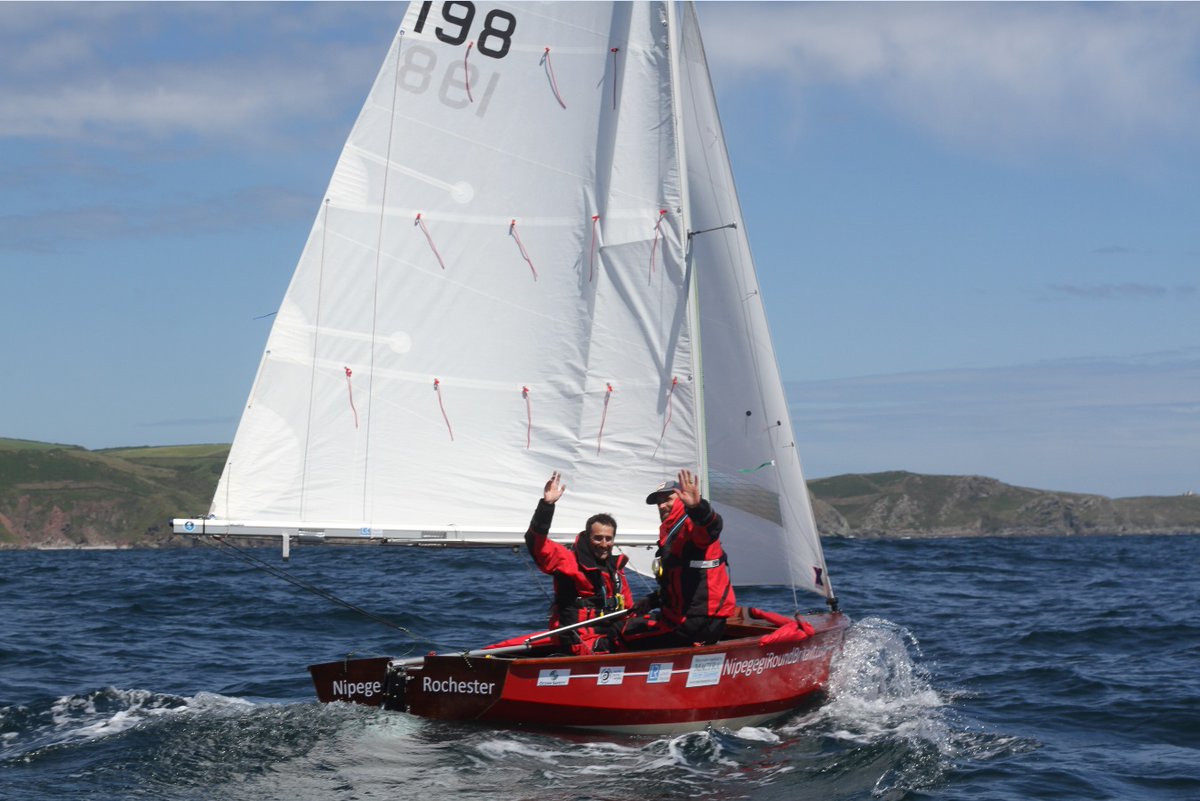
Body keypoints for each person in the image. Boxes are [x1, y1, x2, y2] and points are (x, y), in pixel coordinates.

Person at [616, 468, 736, 651]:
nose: (661, 506)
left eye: (667, 499)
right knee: (630, 624)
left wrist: (698, 508)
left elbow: (711, 528)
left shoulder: (691, 525)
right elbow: (682, 582)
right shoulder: (671, 533)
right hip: (691, 619)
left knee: (619, 633)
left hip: (695, 623)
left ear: (682, 499)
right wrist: (652, 600)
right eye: (658, 502)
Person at [524, 471, 632, 655]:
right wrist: (547, 506)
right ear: (587, 538)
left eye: (608, 539)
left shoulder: (615, 570)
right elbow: (537, 544)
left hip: (610, 634)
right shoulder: (569, 561)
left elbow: (629, 608)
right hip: (579, 640)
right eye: (598, 538)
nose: (604, 544)